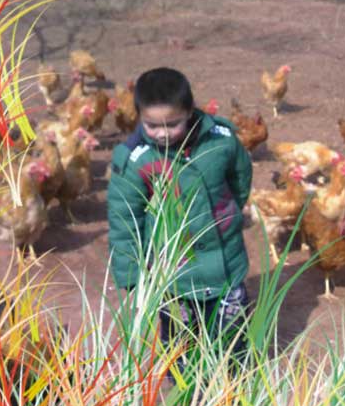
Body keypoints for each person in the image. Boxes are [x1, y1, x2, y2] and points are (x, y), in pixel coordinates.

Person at [106, 67, 253, 381]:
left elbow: (240, 177)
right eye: (151, 125)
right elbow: (124, 219)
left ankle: (232, 385)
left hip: (225, 264)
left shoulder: (221, 140)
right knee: (180, 342)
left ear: (189, 112)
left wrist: (229, 214)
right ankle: (187, 394)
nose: (162, 133)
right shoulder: (136, 160)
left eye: (172, 124)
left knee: (232, 336)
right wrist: (132, 274)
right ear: (139, 117)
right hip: (173, 275)